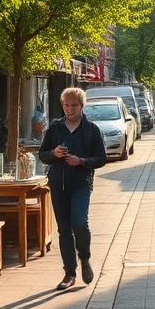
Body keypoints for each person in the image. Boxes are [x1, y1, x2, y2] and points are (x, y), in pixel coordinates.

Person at [38, 87, 107, 290]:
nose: (70, 109)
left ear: (82, 106)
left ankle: (84, 257)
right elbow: (43, 155)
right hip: (58, 184)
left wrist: (81, 161)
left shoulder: (91, 129)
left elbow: (101, 158)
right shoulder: (56, 127)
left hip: (81, 184)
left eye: (74, 105)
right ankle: (69, 273)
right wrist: (54, 153)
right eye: (66, 105)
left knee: (80, 223)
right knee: (64, 229)